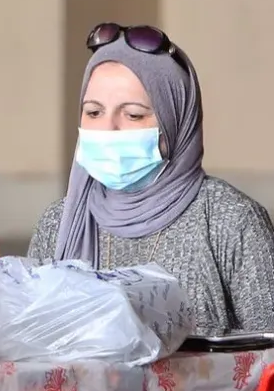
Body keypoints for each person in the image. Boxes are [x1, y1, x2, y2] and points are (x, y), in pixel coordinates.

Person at [28, 23, 274, 334]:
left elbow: (268, 347)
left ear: (176, 120)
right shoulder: (59, 222)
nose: (107, 129)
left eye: (132, 114)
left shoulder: (230, 220)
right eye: (93, 112)